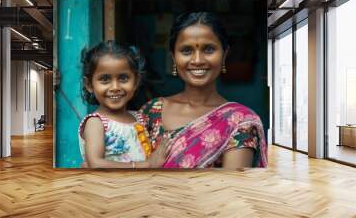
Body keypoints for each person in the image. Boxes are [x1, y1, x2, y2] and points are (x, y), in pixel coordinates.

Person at [140, 12, 268, 169]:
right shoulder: (151, 111)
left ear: (224, 54)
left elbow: (232, 189)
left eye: (208, 49)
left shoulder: (240, 121)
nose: (198, 60)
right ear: (173, 57)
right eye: (186, 50)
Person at [78, 40, 167, 168]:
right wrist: (146, 165)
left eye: (123, 78)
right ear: (89, 85)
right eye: (105, 79)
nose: (115, 87)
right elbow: (95, 164)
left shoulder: (139, 118)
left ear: (136, 81)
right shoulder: (96, 123)